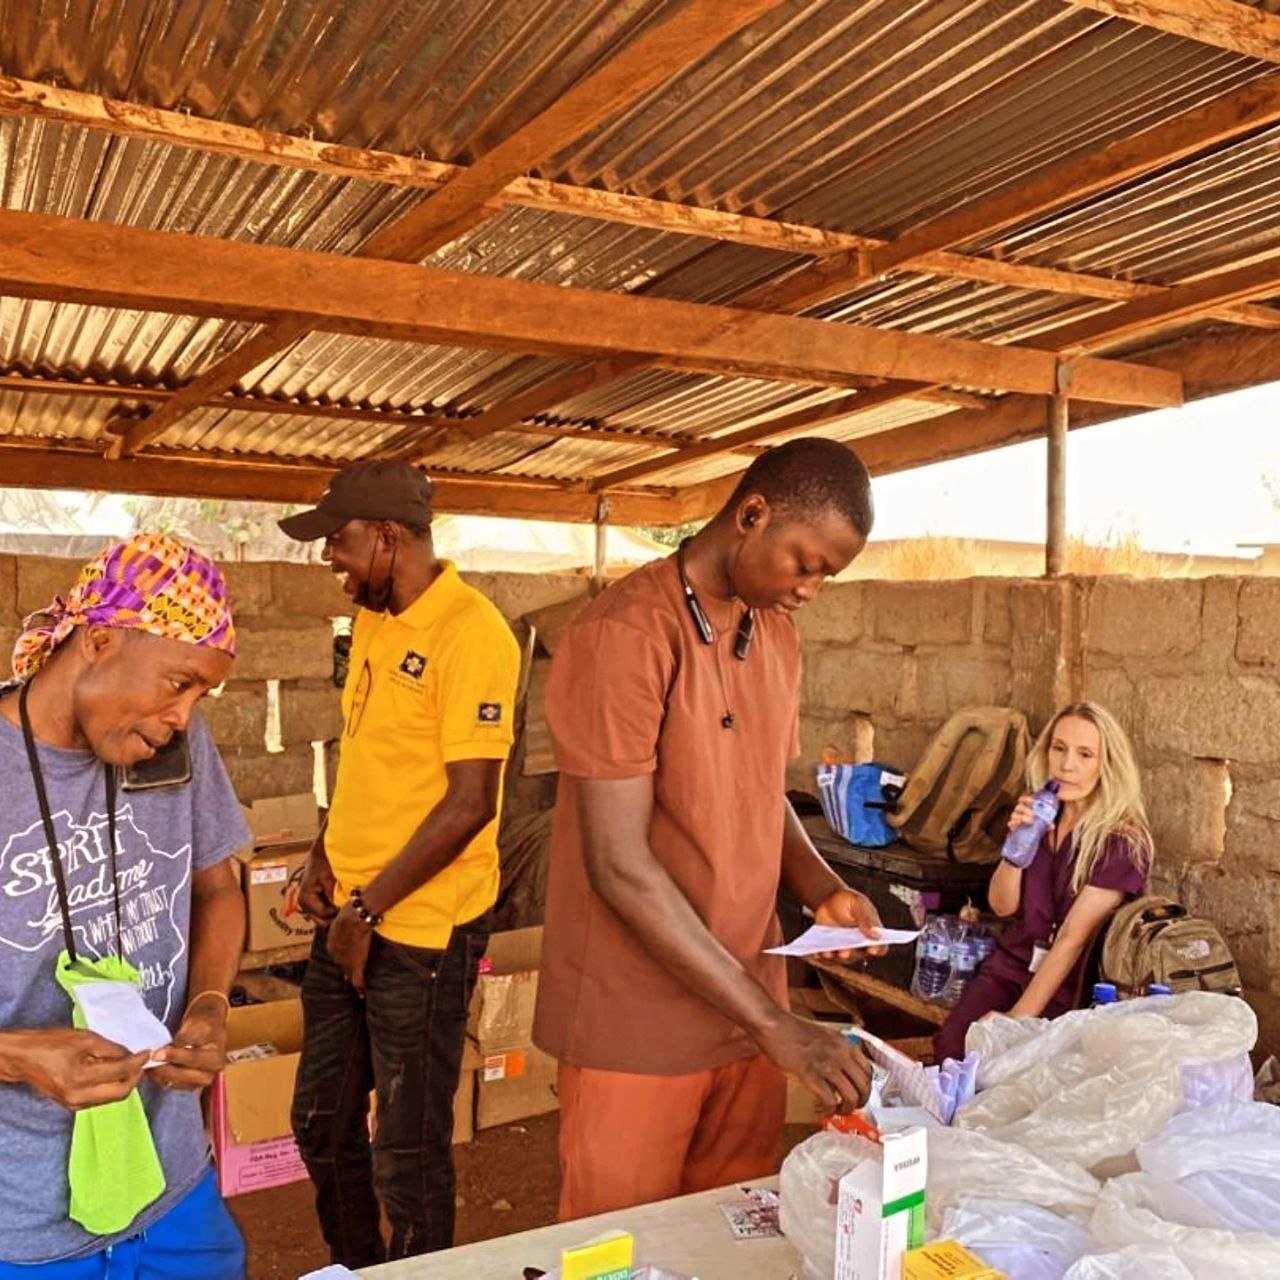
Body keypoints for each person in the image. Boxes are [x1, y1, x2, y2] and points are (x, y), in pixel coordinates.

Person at [533, 437, 885, 1221]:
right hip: (640, 1022)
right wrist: (776, 1025)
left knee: (724, 1235)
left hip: (749, 1005)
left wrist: (821, 888)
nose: (813, 588)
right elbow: (616, 863)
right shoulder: (625, 635)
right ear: (751, 514)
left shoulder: (776, 635)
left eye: (829, 573)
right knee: (618, 1248)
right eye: (806, 563)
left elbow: (761, 792)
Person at [280, 460, 520, 1267]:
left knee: (408, 1152)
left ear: (387, 538)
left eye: (338, 542)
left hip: (417, 932)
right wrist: (324, 856)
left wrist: (366, 913)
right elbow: (369, 763)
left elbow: (469, 803)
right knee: (320, 1122)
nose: (329, 560)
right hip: (351, 913)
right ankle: (362, 1266)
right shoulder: (378, 619)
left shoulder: (472, 633)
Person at [0, 534, 249, 1278]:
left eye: (201, 694)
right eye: (177, 682)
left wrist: (208, 1004)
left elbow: (217, 886)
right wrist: (14, 1057)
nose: (182, 715)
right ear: (99, 640)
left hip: (171, 1183)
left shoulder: (172, 746)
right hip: (20, 1224)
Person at [934, 701, 1153, 1062]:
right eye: (1059, 748)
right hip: (1013, 964)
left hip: (1072, 987)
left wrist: (1015, 1022)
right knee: (952, 1048)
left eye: (1086, 754)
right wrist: (1017, 846)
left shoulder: (1121, 841)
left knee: (1006, 1070)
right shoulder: (1041, 813)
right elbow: (1002, 905)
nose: (1068, 765)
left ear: (1106, 764)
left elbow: (1071, 939)